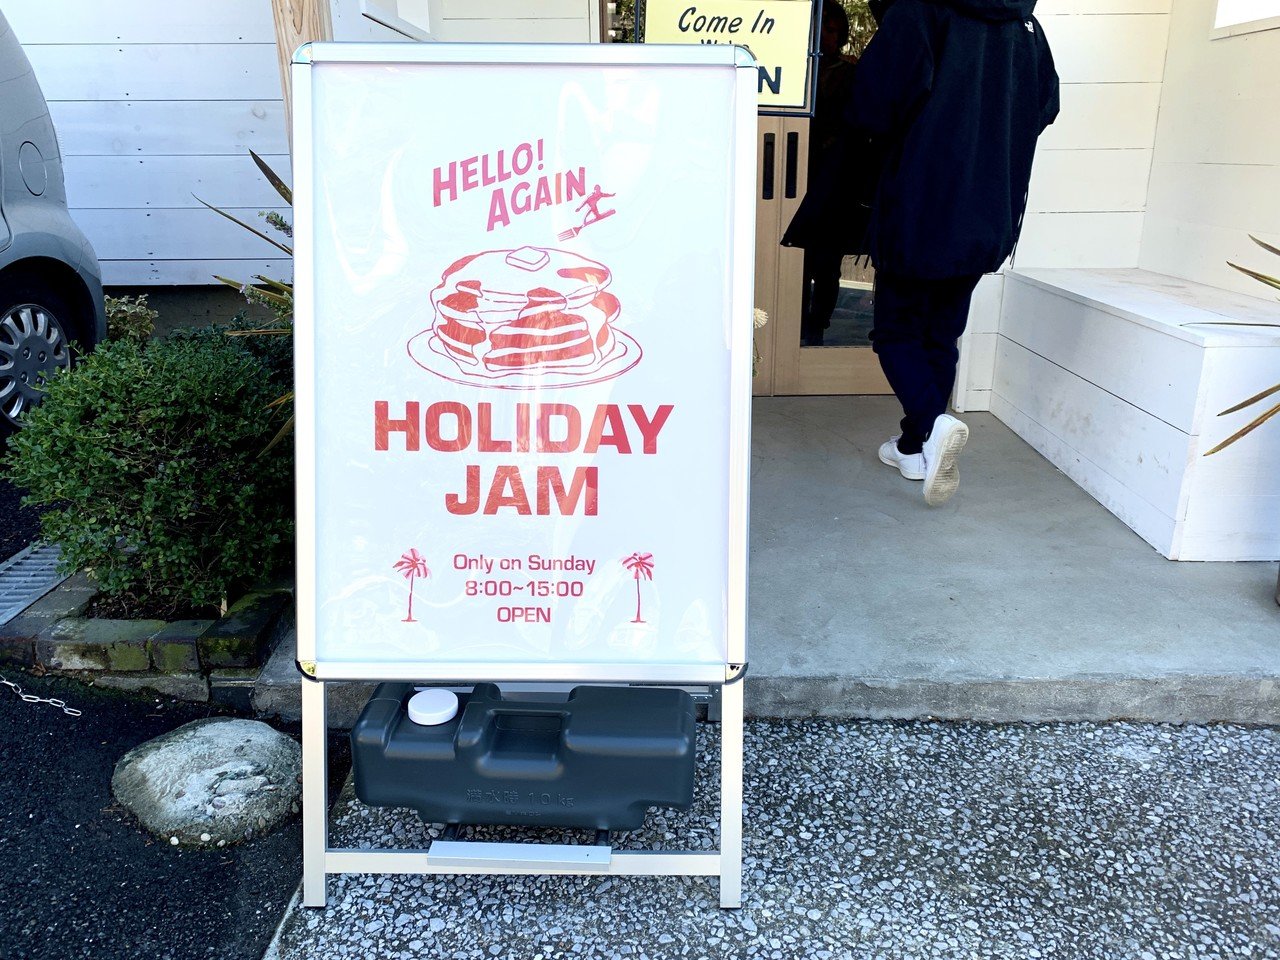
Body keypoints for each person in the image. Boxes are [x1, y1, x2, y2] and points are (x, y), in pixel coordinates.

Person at [849, 0, 1059, 505]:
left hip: (919, 205)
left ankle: (933, 423)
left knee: (896, 332)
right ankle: (913, 446)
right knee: (940, 333)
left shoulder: (919, 12)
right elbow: (1045, 107)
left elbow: (872, 106)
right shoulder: (1023, 24)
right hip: (989, 209)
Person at [780, 3, 862, 346]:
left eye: (831, 30)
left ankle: (815, 329)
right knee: (792, 259)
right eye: (820, 29)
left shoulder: (851, 73)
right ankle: (789, 327)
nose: (826, 37)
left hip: (834, 181)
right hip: (790, 175)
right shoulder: (793, 69)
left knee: (826, 263)